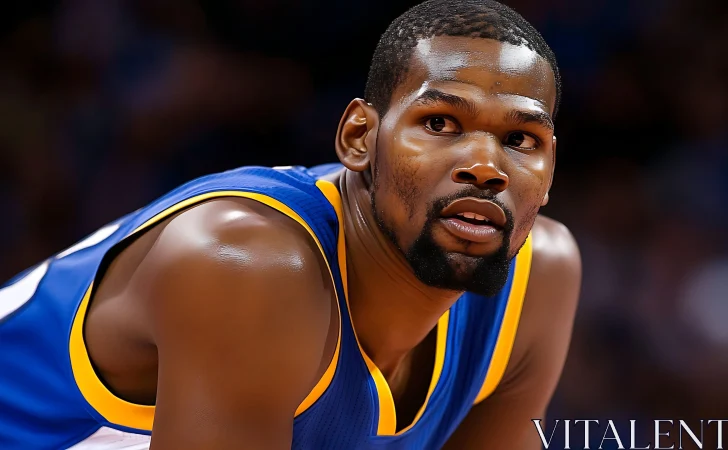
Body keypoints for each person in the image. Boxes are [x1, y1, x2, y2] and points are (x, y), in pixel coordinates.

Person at [0, 0, 581, 448]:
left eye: (520, 139)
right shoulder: (246, 263)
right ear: (360, 139)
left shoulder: (539, 278)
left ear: (550, 171)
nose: (484, 167)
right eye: (440, 123)